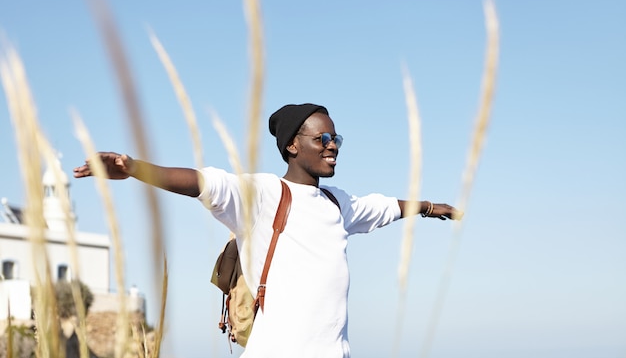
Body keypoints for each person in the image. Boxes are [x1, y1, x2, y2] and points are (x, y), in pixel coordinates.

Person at [73, 103, 461, 358]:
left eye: (336, 139)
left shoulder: (336, 203)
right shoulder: (262, 194)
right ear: (293, 146)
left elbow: (382, 207)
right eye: (322, 139)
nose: (333, 146)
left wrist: (427, 208)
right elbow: (204, 182)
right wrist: (134, 167)